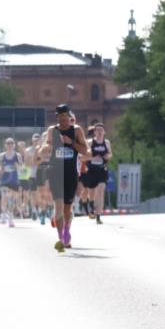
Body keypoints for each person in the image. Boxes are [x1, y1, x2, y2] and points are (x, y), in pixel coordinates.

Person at [40, 104, 89, 251]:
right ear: (57, 117)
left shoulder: (76, 130)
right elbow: (46, 147)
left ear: (69, 116)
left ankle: (67, 229)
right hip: (55, 172)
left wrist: (71, 143)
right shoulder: (52, 130)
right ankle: (61, 238)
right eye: (59, 117)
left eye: (64, 117)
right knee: (59, 206)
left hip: (71, 174)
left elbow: (85, 150)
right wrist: (46, 148)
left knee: (68, 209)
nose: (62, 120)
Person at [82, 123, 112, 224]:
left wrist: (107, 156)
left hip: (102, 170)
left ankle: (98, 216)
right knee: (92, 194)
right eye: (97, 130)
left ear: (104, 132)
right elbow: (82, 157)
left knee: (101, 190)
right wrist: (92, 158)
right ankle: (91, 206)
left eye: (101, 130)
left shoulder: (107, 143)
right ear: (94, 132)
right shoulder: (89, 143)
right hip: (91, 171)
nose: (99, 132)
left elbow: (110, 154)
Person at [0, 137, 22, 227]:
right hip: (4, 179)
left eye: (11, 143)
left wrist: (17, 166)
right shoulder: (2, 155)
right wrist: (0, 168)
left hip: (14, 180)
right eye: (8, 143)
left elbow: (22, 167)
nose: (10, 145)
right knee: (4, 197)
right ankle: (3, 214)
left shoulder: (17, 155)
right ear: (5, 145)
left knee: (11, 199)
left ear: (14, 145)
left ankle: (10, 217)